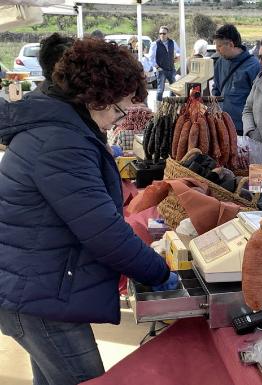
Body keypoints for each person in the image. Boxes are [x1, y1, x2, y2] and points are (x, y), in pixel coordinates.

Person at [0, 38, 178, 385]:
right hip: (40, 298)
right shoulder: (62, 143)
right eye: (119, 110)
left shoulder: (59, 126)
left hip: (36, 289)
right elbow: (104, 232)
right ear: (96, 98)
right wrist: (157, 272)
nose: (117, 120)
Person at [212, 24, 261, 135]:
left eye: (219, 46)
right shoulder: (220, 62)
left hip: (242, 128)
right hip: (221, 125)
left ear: (231, 44)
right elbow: (216, 89)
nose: (217, 50)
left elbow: (258, 100)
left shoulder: (253, 66)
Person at [147, 26, 181, 101]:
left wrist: (178, 57)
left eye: (164, 33)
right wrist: (157, 67)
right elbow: (151, 58)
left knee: (174, 90)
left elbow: (179, 51)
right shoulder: (155, 44)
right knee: (160, 91)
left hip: (171, 69)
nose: (162, 35)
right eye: (160, 33)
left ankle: (171, 107)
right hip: (161, 70)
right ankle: (159, 108)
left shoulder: (172, 42)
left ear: (167, 34)